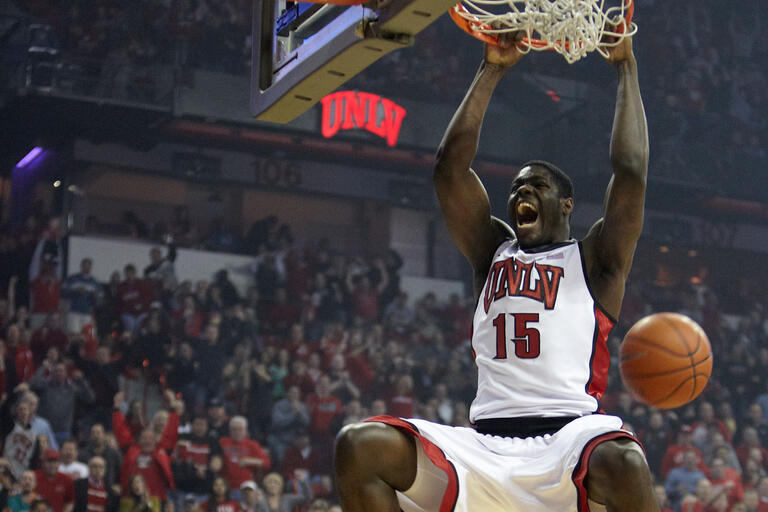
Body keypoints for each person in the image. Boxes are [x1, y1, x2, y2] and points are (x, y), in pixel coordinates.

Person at [335, 29, 655, 512]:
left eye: (537, 186)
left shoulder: (595, 260)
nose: (522, 193)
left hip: (568, 439)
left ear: (566, 204)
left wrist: (625, 66)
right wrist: (493, 69)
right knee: (357, 446)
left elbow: (630, 171)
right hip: (485, 445)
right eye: (517, 189)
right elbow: (449, 169)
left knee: (626, 462)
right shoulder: (492, 252)